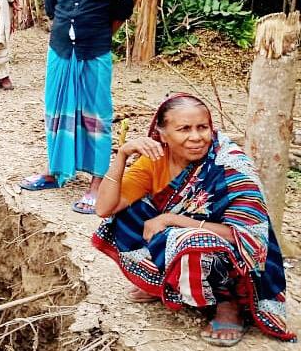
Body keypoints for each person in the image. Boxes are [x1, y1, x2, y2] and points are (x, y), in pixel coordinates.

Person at [93, 93, 295, 346]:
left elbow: (246, 236)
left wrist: (171, 219)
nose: (196, 137)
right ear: (163, 133)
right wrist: (122, 155)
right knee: (125, 214)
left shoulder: (230, 165)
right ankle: (163, 283)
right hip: (179, 241)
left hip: (229, 252)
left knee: (194, 241)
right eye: (184, 129)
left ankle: (227, 304)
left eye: (202, 127)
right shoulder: (155, 160)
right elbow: (104, 208)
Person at [19, 0, 135, 215]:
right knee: (57, 110)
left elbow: (122, 9)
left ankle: (98, 183)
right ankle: (55, 171)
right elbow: (53, 6)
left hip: (95, 49)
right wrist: (68, 33)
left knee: (96, 115)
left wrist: (96, 34)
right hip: (60, 48)